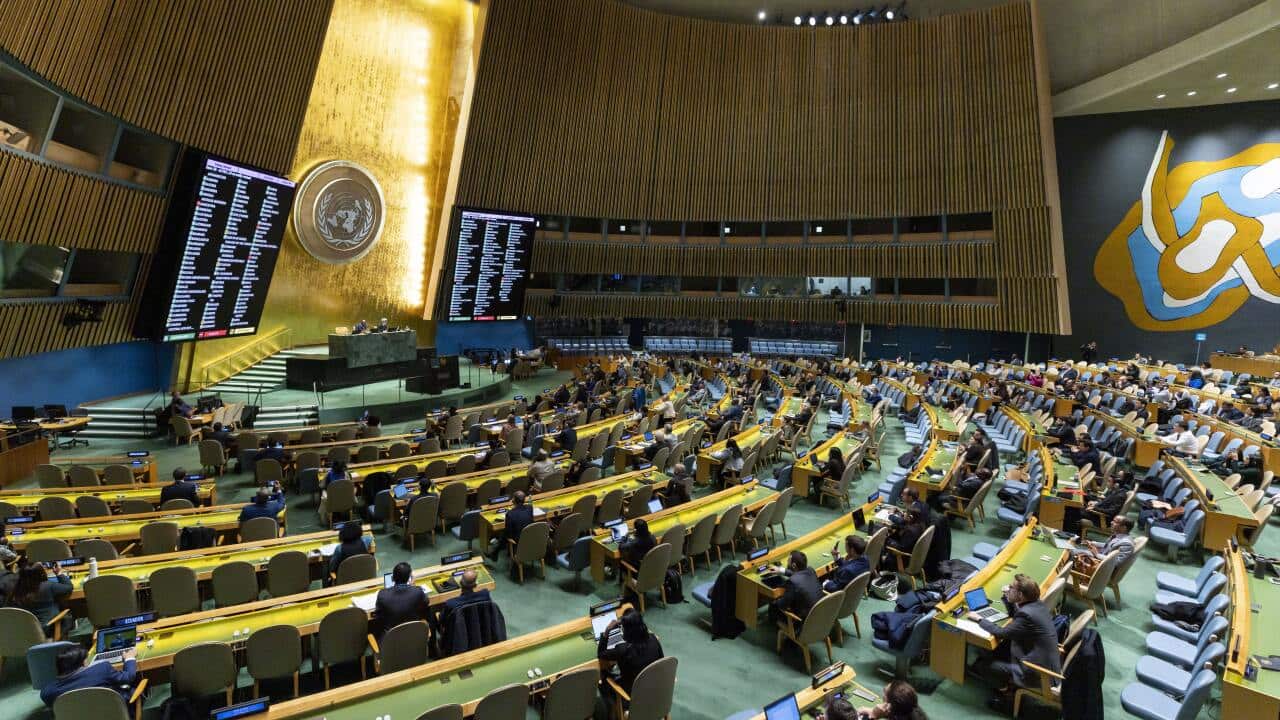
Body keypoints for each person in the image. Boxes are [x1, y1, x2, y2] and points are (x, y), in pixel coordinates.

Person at [969, 574, 1061, 708]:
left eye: (1011, 588)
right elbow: (1016, 616)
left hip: (1037, 672)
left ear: (1021, 595)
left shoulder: (1027, 615)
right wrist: (1008, 599)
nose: (1007, 588)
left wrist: (979, 619)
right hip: (1044, 660)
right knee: (997, 650)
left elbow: (1001, 633)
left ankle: (1006, 695)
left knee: (986, 666)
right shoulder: (1037, 605)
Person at [40, 645, 140, 708]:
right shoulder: (102, 669)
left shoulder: (47, 693)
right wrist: (129, 657)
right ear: (83, 662)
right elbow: (128, 676)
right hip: (114, 712)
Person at [597, 608, 664, 697]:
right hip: (654, 689)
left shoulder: (623, 649)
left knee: (603, 676)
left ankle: (615, 708)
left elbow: (601, 654)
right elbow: (661, 661)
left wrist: (607, 631)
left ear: (627, 631)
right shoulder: (653, 638)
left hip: (633, 696)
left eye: (623, 627)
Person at [8, 564, 72, 635]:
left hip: (25, 633)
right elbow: (68, 587)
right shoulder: (48, 586)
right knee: (68, 615)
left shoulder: (15, 591)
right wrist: (59, 574)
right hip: (48, 629)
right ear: (41, 574)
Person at [375, 562, 427, 634]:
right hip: (413, 635)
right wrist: (413, 586)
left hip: (392, 638)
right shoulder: (417, 591)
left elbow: (378, 616)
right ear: (409, 578)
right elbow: (426, 602)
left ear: (392, 578)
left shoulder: (382, 594)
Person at [771, 551, 822, 623]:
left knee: (773, 606)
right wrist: (782, 571)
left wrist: (775, 600)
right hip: (821, 614)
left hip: (804, 621)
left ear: (794, 566)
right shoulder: (811, 570)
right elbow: (799, 574)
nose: (787, 562)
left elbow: (783, 605)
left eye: (788, 561)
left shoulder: (792, 581)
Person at [854, 681, 928, 720]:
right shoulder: (910, 709)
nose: (882, 695)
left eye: (885, 693)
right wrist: (872, 711)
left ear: (890, 706)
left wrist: (874, 715)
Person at [499, 491, 535, 557]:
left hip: (518, 540)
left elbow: (509, 533)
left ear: (513, 500)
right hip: (530, 536)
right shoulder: (530, 508)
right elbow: (529, 505)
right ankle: (495, 551)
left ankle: (497, 551)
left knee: (503, 533)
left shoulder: (510, 514)